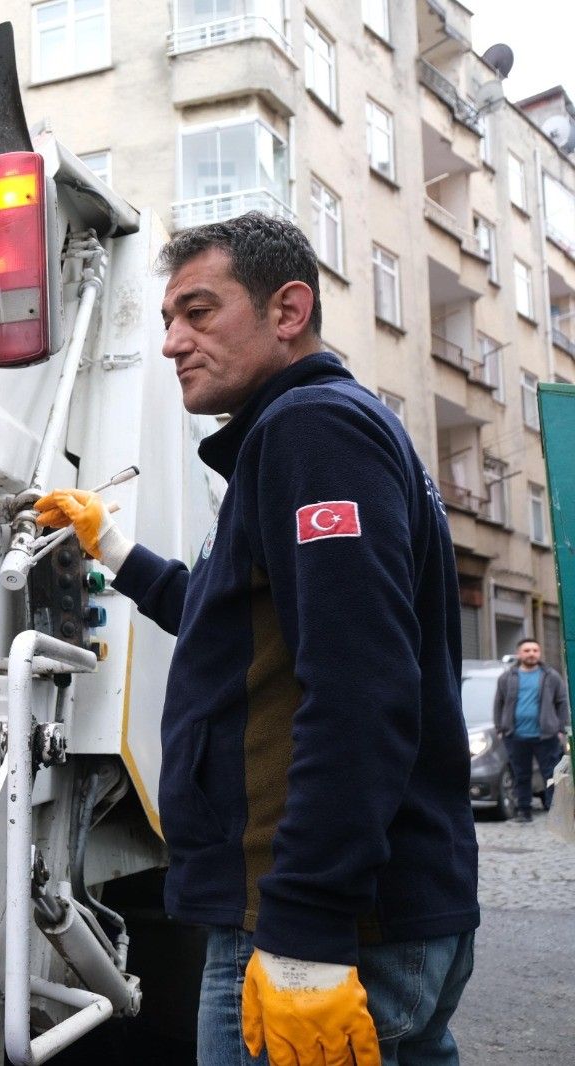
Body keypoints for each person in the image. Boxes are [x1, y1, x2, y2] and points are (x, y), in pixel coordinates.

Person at [36, 213, 478, 1065]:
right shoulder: (309, 436)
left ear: (288, 311)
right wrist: (112, 547)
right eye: (167, 319)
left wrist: (307, 930)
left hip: (318, 926)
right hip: (361, 916)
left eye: (199, 313)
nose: (172, 343)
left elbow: (359, 688)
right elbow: (231, 620)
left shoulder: (314, 431)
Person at [493, 637, 570, 823]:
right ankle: (524, 812)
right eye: (527, 650)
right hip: (516, 735)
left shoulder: (550, 675)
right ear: (519, 654)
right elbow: (499, 703)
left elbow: (561, 702)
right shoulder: (507, 677)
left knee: (551, 775)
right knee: (521, 775)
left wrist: (560, 728)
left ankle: (556, 814)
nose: (531, 654)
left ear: (539, 653)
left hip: (546, 735)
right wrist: (500, 728)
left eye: (535, 650)